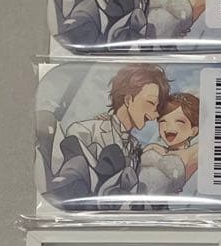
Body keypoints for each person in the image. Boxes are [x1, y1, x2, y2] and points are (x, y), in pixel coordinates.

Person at [49, 65, 170, 204]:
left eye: (157, 107)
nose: (156, 114)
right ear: (128, 99)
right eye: (151, 103)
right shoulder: (85, 131)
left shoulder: (136, 150)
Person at [139, 93, 199, 195]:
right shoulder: (153, 147)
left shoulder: (192, 153)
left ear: (193, 131)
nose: (169, 127)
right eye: (163, 121)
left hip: (164, 201)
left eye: (179, 121)